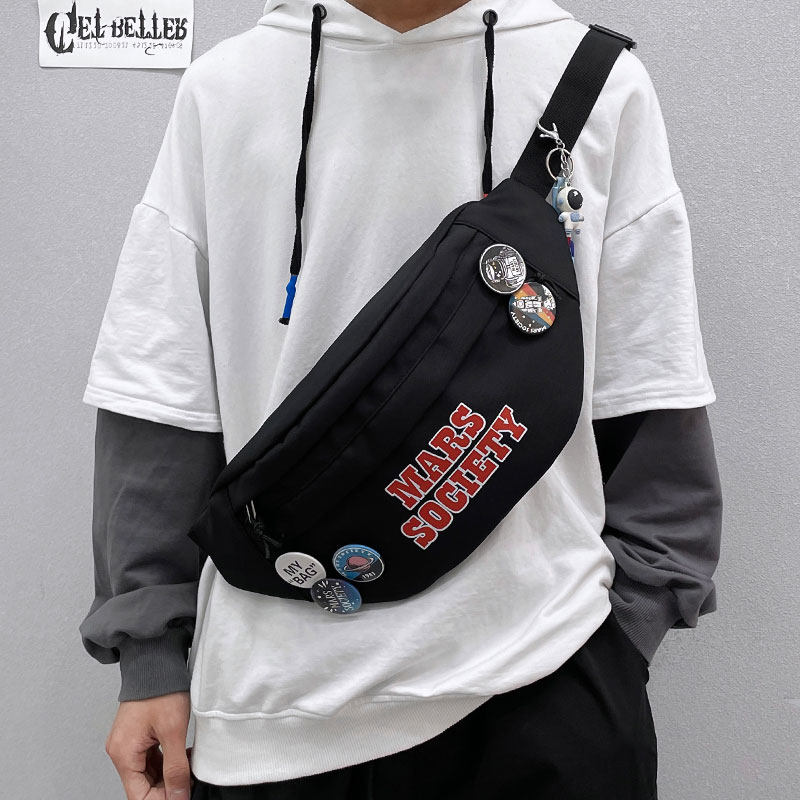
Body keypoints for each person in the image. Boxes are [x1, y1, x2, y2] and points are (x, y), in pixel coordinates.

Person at [79, 1, 723, 798]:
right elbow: (162, 392)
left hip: (546, 676)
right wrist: (150, 654)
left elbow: (650, 390)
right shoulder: (225, 90)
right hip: (275, 713)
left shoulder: (598, 83)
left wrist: (623, 642)